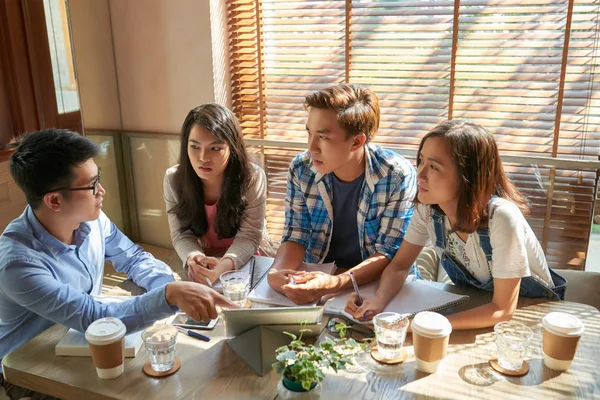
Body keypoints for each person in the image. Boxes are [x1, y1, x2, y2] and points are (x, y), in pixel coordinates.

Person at [0, 129, 234, 400]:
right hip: (30, 371)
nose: (102, 191)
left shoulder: (91, 219)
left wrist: (167, 285)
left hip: (80, 343)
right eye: (91, 185)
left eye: (98, 178)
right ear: (54, 200)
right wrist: (169, 296)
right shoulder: (17, 263)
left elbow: (133, 257)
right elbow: (93, 317)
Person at [345, 120, 567, 329]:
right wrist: (378, 300)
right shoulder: (428, 209)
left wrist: (418, 326)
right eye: (421, 160)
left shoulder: (502, 217)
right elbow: (400, 265)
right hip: (479, 308)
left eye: (434, 167)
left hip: (532, 316)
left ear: (467, 176)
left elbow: (503, 309)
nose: (419, 173)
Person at [267, 84, 417, 304]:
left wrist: (335, 283)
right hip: (319, 279)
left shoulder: (396, 175)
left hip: (381, 285)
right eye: (309, 132)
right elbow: (296, 234)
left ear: (357, 141)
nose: (311, 147)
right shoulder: (302, 168)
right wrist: (276, 274)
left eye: (323, 137)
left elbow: (389, 253)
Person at [164, 103, 274, 285]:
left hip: (249, 257)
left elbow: (250, 236)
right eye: (195, 146)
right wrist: (194, 258)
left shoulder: (252, 177)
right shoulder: (173, 179)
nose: (203, 157)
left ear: (232, 147)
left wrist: (223, 265)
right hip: (205, 259)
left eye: (215, 148)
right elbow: (181, 234)